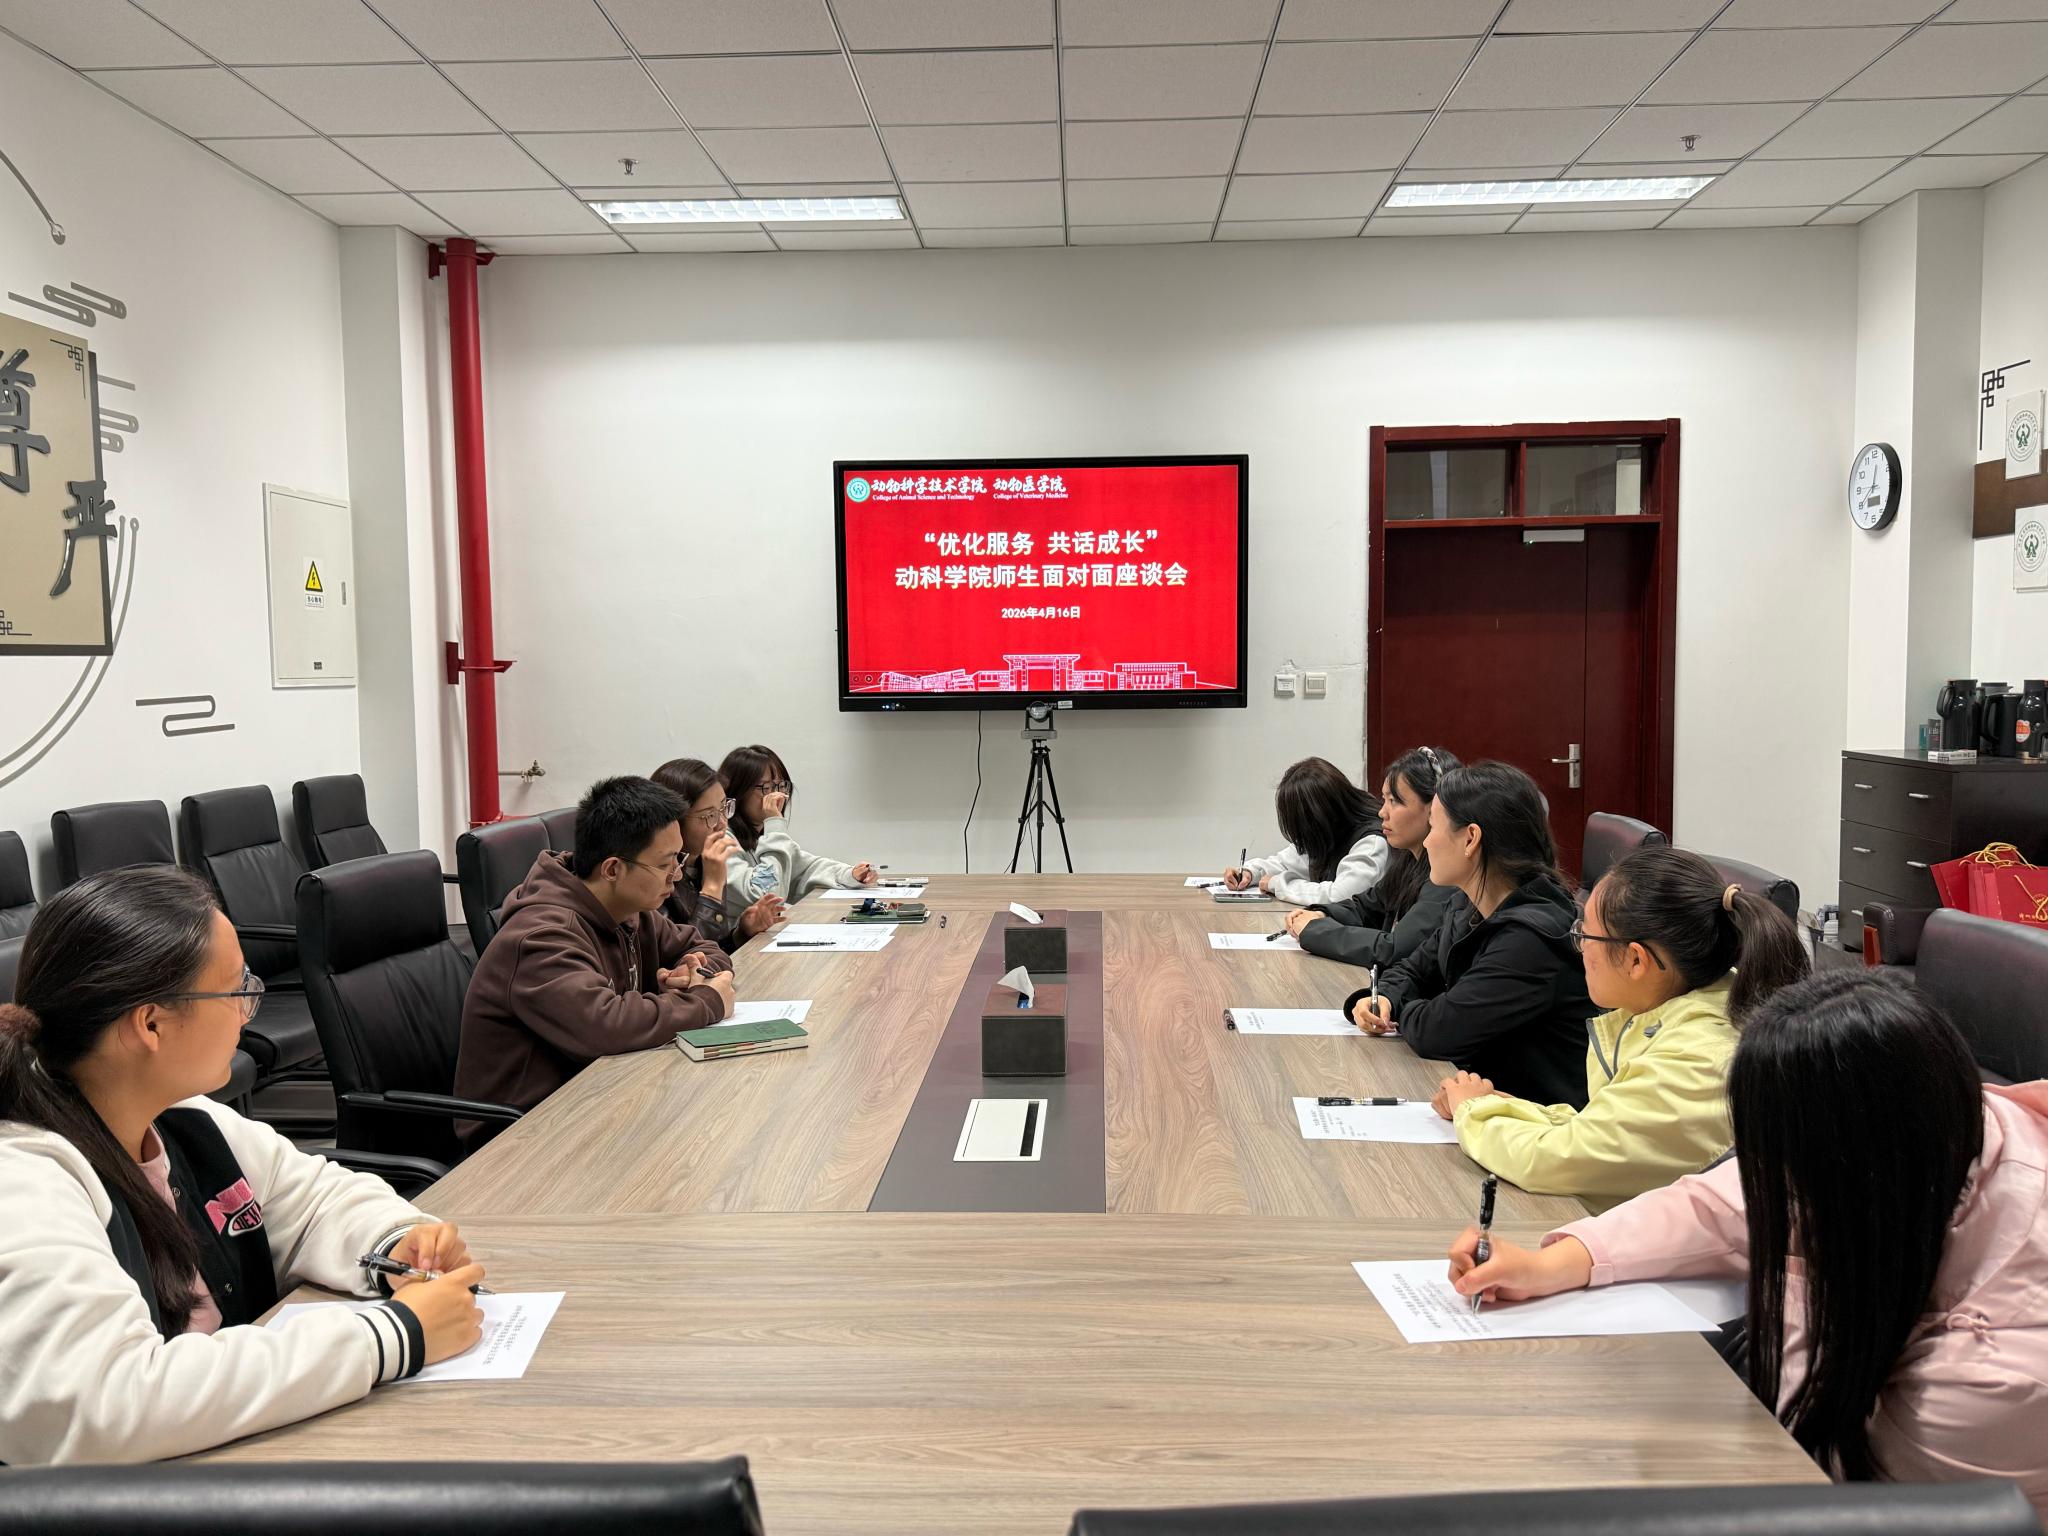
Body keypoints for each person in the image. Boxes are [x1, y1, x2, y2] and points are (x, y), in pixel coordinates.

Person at [1448, 972, 2048, 1517]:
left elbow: (1804, 1451)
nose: (1766, 1186)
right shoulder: (1944, 1122)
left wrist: (1797, 1277)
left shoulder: (1995, 1377)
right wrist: (1554, 1264)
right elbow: (1722, 1200)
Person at [0, 866, 486, 1465]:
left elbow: (315, 1200)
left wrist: (395, 1246)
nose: (247, 1011)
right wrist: (394, 1335)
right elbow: (102, 1403)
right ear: (150, 1024)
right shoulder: (24, 1180)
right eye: (236, 991)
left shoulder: (183, 1119)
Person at [1436, 844, 1809, 1211]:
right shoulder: (1671, 1013)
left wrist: (1473, 1109)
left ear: (1635, 960)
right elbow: (1604, 1128)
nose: (1580, 947)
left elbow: (1558, 1160)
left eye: (1585, 934)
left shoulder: (1698, 1063)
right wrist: (1503, 1108)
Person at [454, 775, 735, 1145]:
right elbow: (606, 1026)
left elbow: (703, 946)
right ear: (613, 869)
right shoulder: (540, 937)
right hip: (521, 1137)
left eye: (679, 858)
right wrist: (707, 1000)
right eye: (667, 863)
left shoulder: (629, 909)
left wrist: (695, 970)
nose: (678, 874)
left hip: (597, 1101)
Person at [1345, 761, 1592, 1108]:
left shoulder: (1531, 939)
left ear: (1471, 839)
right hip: (1481, 1099)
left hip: (1534, 1121)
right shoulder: (1467, 903)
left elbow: (1438, 1032)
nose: (1427, 841)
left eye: (1434, 827)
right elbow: (1413, 969)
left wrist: (1404, 1009)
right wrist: (1382, 998)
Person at [1284, 746, 1458, 969]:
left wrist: (1314, 931)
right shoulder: (1409, 861)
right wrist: (1321, 913)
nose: (1382, 812)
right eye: (1384, 800)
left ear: (1435, 808)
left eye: (1395, 801)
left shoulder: (1446, 878)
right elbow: (1367, 907)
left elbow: (1395, 949)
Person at [650, 757, 787, 953]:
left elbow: (716, 947)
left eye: (724, 808)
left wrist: (742, 932)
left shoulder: (704, 862)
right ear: (675, 821)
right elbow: (685, 957)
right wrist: (712, 889)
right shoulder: (658, 873)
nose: (722, 824)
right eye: (710, 815)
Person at [721, 744, 878, 911]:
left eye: (781, 786)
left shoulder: (760, 838)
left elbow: (806, 870)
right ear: (738, 792)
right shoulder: (722, 842)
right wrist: (774, 824)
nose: (777, 796)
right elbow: (767, 896)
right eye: (766, 788)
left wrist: (850, 875)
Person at [1224, 757, 1388, 907]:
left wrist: (1277, 884)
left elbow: (1340, 896)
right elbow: (1285, 862)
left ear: (1319, 816)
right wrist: (1250, 872)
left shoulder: (1372, 842)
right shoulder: (1331, 830)